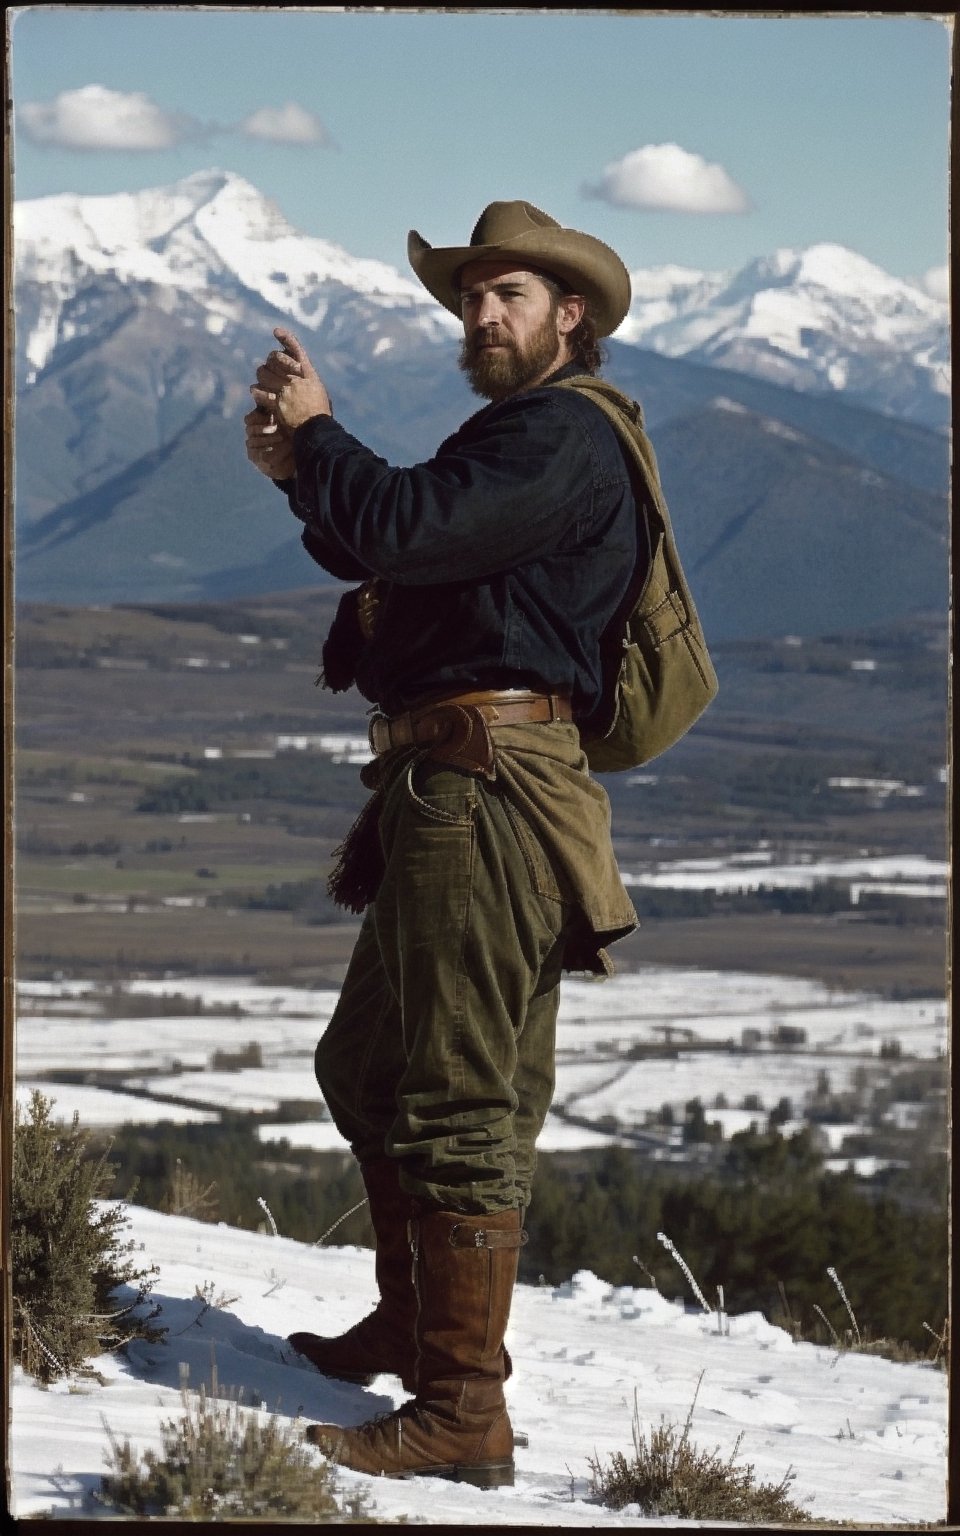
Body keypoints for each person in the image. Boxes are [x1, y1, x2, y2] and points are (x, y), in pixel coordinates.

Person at [244, 200, 649, 1488]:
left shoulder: (562, 438)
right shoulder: (518, 438)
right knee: (367, 1069)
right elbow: (409, 551)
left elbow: (408, 529)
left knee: (460, 1101)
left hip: (487, 786)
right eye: (473, 297)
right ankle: (418, 1320)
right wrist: (300, 477)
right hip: (441, 780)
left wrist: (319, 435)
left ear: (568, 316)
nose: (482, 314)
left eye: (511, 295)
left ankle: (462, 1411)